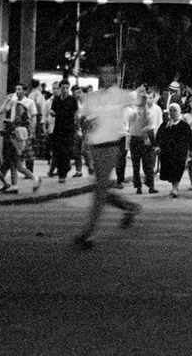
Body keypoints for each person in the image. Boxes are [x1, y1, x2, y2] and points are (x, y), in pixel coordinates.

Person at [75, 65, 141, 249]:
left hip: (112, 146)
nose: (107, 76)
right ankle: (129, 207)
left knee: (100, 189)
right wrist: (87, 125)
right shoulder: (92, 97)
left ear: (116, 76)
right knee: (101, 188)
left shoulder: (122, 95)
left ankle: (88, 233)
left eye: (110, 73)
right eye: (103, 72)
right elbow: (83, 119)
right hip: (94, 146)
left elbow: (140, 105)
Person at [156, 102, 192, 198]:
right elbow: (159, 135)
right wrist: (157, 146)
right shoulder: (166, 124)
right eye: (170, 110)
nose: (172, 112)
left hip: (179, 151)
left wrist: (191, 149)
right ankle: (173, 187)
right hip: (167, 151)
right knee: (170, 168)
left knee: (178, 168)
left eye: (174, 110)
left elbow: (190, 137)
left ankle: (175, 187)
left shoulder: (183, 125)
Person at [126, 88, 158, 194]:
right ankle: (150, 186)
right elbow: (150, 130)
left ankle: (138, 187)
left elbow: (130, 126)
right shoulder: (149, 113)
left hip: (135, 140)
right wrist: (154, 144)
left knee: (136, 165)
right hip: (145, 141)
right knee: (148, 165)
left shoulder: (133, 112)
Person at [49, 80, 79, 183]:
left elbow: (72, 113)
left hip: (68, 129)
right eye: (63, 88)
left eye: (67, 88)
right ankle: (63, 169)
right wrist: (52, 112)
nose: (65, 90)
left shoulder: (72, 100)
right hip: (58, 129)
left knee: (66, 152)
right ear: (60, 88)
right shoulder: (56, 100)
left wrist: (58, 113)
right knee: (57, 152)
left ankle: (63, 174)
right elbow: (53, 111)